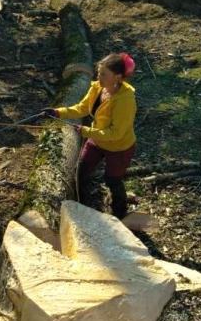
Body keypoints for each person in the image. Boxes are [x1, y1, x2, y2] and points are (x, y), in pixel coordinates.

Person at [43, 53, 137, 219]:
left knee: (112, 180)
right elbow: (82, 108)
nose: (98, 77)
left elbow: (116, 133)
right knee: (81, 170)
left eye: (103, 74)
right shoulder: (97, 88)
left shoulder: (125, 101)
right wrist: (58, 112)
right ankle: (81, 205)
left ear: (118, 77)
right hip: (97, 140)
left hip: (119, 146)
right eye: (98, 72)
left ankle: (120, 214)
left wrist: (86, 131)